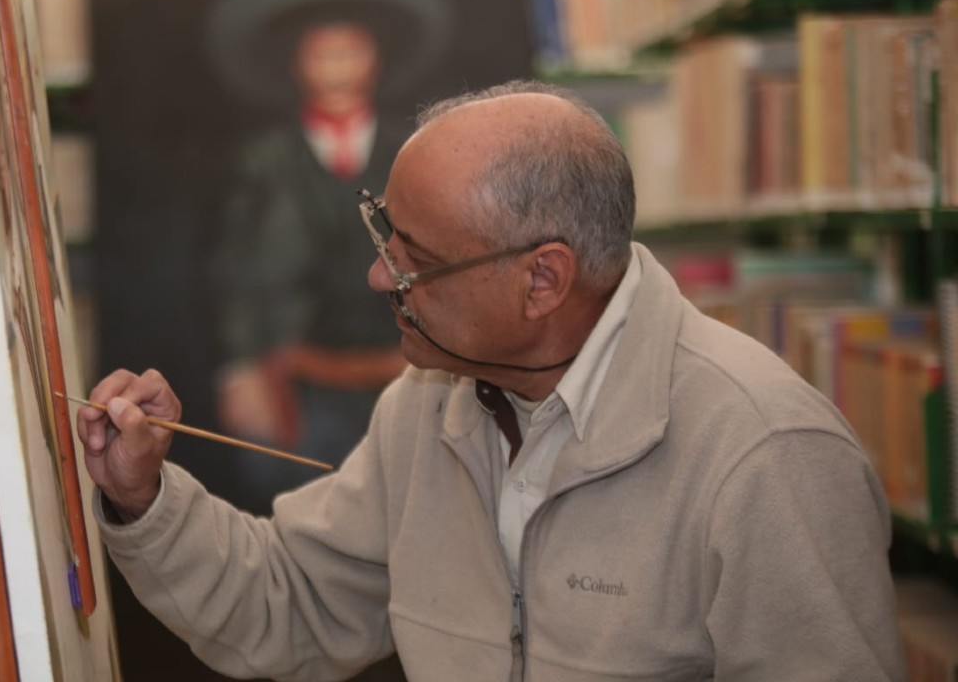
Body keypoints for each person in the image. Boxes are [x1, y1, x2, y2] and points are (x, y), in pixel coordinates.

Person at [77, 80, 906, 681]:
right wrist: (144, 498)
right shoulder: (426, 405)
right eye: (382, 233)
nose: (379, 277)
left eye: (415, 259)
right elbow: (294, 603)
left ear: (542, 280)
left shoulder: (767, 455)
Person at [212, 18, 410, 504]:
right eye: (322, 56)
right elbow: (235, 267)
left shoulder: (412, 151)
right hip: (300, 379)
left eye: (350, 54)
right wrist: (242, 366)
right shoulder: (264, 160)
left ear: (375, 62)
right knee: (299, 499)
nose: (337, 70)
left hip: (405, 368)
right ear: (298, 66)